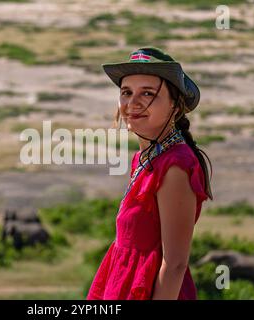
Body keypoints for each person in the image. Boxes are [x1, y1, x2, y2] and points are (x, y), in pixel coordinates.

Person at [86, 47, 213, 300]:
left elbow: (175, 264)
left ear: (175, 106)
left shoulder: (175, 165)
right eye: (126, 92)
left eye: (147, 93)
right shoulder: (144, 159)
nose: (133, 103)